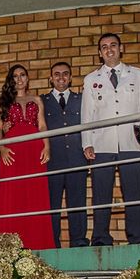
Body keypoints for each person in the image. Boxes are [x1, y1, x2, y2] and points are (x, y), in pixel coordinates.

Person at [81, 33, 140, 245]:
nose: (109, 49)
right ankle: (101, 238)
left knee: (134, 193)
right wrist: (87, 142)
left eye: (113, 45)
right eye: (104, 47)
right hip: (102, 144)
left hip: (132, 142)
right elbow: (87, 115)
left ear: (121, 48)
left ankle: (138, 237)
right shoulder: (91, 79)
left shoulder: (138, 75)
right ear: (99, 53)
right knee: (101, 194)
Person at [0, 64, 54, 249]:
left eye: (22, 75)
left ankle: (38, 242)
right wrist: (2, 147)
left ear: (27, 78)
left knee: (36, 194)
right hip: (12, 152)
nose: (19, 79)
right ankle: (10, 246)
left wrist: (47, 145)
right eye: (15, 76)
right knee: (12, 195)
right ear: (11, 80)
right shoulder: (3, 101)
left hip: (34, 149)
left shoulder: (37, 99)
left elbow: (42, 125)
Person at [41, 62, 89, 248]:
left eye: (65, 74)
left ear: (70, 77)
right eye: (57, 74)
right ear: (50, 78)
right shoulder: (42, 101)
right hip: (52, 161)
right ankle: (53, 244)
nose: (61, 77)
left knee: (77, 203)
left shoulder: (81, 99)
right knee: (52, 205)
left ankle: (79, 242)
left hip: (77, 159)